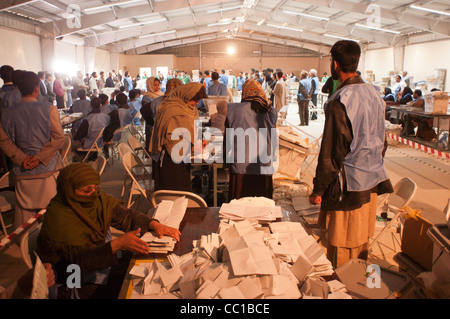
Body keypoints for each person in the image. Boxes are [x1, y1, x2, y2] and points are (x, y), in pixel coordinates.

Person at [36, 162, 180, 299]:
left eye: (96, 188)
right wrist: (116, 245)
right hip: (75, 279)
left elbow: (126, 216)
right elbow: (76, 261)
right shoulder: (59, 216)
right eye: (86, 190)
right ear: (67, 190)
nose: (93, 194)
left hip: (99, 263)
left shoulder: (98, 200)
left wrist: (154, 224)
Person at [308, 40, 393, 269]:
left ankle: (344, 291)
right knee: (362, 243)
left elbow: (332, 154)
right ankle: (364, 285)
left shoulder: (340, 101)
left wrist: (319, 189)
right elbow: (383, 141)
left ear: (335, 64)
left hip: (349, 187)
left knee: (343, 246)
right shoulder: (375, 93)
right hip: (373, 181)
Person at [0, 71, 65, 228]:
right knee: (53, 216)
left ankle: (26, 249)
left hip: (23, 171)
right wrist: (39, 158)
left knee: (26, 219)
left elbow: (4, 141)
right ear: (37, 88)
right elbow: (58, 138)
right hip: (48, 169)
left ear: (19, 89)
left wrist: (23, 159)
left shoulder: (7, 114)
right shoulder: (49, 109)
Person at [212, 79, 277, 200]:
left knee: (240, 205)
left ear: (244, 93)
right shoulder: (270, 111)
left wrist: (225, 158)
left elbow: (228, 139)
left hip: (241, 167)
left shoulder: (233, 110)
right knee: (262, 207)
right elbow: (272, 139)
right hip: (264, 167)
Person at [149, 83, 207, 191]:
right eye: (195, 100)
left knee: (181, 197)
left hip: (180, 159)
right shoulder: (172, 109)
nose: (197, 103)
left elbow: (187, 130)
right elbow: (170, 140)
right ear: (188, 96)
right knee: (173, 197)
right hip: (169, 161)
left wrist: (196, 141)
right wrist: (192, 147)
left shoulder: (187, 107)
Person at [141, 78, 183, 173]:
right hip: (170, 142)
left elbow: (144, 111)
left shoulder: (158, 100)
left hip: (161, 140)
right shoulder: (175, 103)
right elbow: (144, 111)